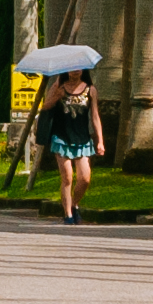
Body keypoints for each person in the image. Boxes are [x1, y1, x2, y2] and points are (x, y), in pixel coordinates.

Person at [33, 72, 104, 221]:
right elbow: (45, 106)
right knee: (67, 177)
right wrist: (56, 96)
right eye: (72, 68)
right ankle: (68, 215)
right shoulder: (58, 86)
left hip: (82, 138)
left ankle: (74, 204)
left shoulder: (90, 90)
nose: (75, 71)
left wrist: (100, 141)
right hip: (61, 138)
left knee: (85, 178)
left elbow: (95, 116)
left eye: (78, 68)